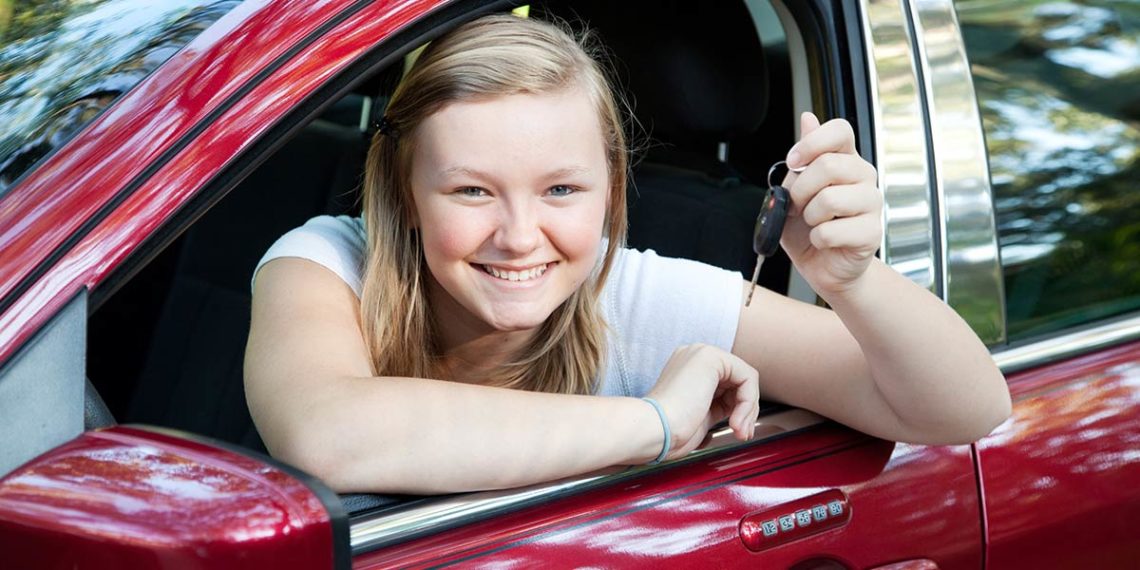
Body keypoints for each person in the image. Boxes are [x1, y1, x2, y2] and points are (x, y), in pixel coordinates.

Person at [244, 13, 1011, 495]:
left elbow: (968, 409)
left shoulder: (638, 298)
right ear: (405, 192)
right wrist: (655, 423)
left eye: (561, 191)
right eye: (472, 192)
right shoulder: (326, 264)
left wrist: (854, 283)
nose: (518, 235)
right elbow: (331, 436)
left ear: (612, 191)